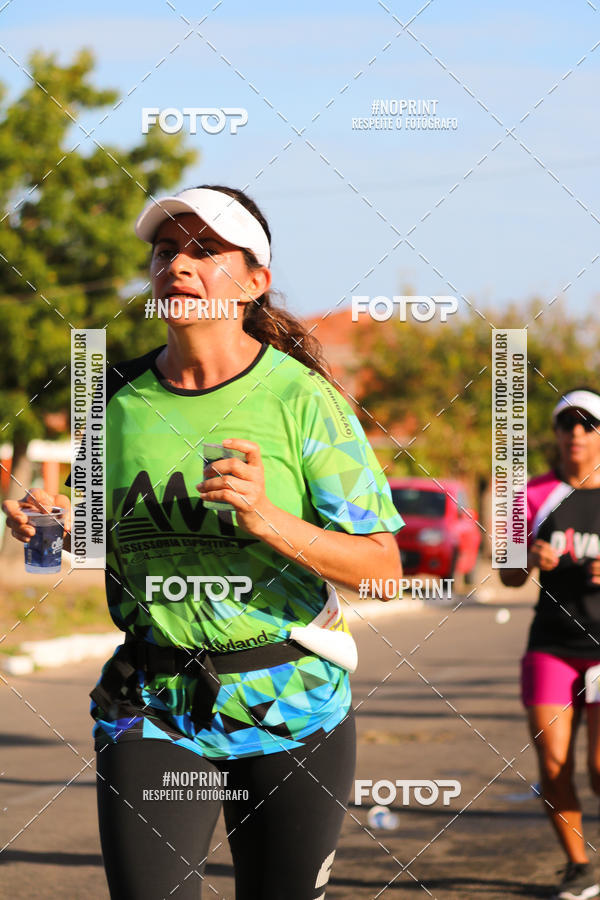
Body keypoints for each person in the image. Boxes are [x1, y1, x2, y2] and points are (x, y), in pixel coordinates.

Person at [3, 185, 404, 900]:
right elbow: (103, 541)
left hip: (289, 703)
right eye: (166, 252)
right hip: (152, 703)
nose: (178, 265)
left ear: (255, 280)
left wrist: (267, 520)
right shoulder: (112, 397)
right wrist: (55, 528)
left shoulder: (302, 399)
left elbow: (382, 570)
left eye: (205, 250)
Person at [501, 388, 600, 900]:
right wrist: (528, 562)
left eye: (588, 424)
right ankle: (580, 866)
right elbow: (509, 575)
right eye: (568, 424)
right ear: (556, 433)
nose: (577, 434)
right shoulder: (531, 493)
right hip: (552, 646)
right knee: (553, 767)